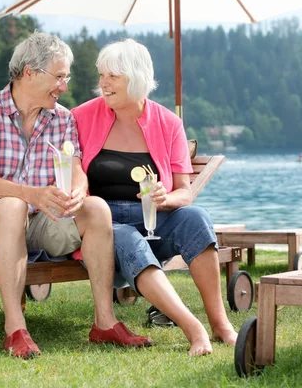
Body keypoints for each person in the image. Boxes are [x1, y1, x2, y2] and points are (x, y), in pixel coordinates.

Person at [0, 32, 152, 359]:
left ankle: (104, 322)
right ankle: (15, 328)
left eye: (66, 77)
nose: (64, 86)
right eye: (59, 77)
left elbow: (75, 167)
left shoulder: (61, 118)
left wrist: (77, 191)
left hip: (39, 222)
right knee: (12, 206)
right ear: (29, 73)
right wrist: (32, 195)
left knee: (96, 209)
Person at [71, 39, 237, 356]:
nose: (103, 83)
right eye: (101, 75)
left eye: (113, 76)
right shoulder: (81, 117)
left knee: (197, 218)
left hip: (153, 217)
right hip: (101, 225)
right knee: (129, 238)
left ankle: (220, 324)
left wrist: (166, 197)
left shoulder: (168, 123)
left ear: (135, 77)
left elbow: (184, 192)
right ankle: (194, 329)